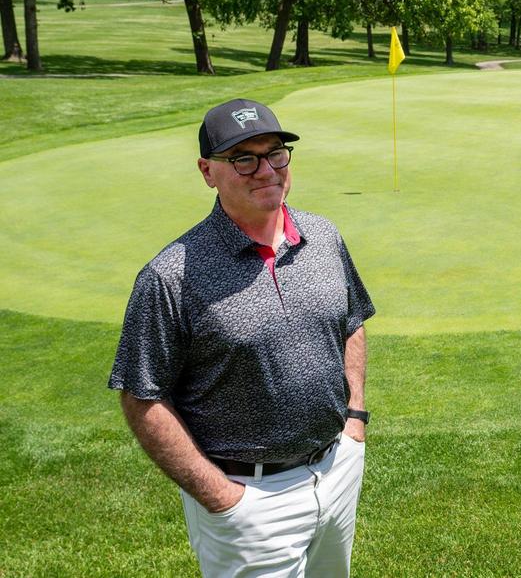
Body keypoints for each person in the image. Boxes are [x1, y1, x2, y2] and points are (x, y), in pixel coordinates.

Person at [108, 98, 375, 577]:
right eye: (243, 158)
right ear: (207, 171)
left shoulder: (324, 236)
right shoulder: (169, 276)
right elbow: (141, 396)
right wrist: (224, 498)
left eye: (275, 153)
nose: (265, 170)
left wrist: (354, 421)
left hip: (336, 470)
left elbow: (352, 321)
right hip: (247, 500)